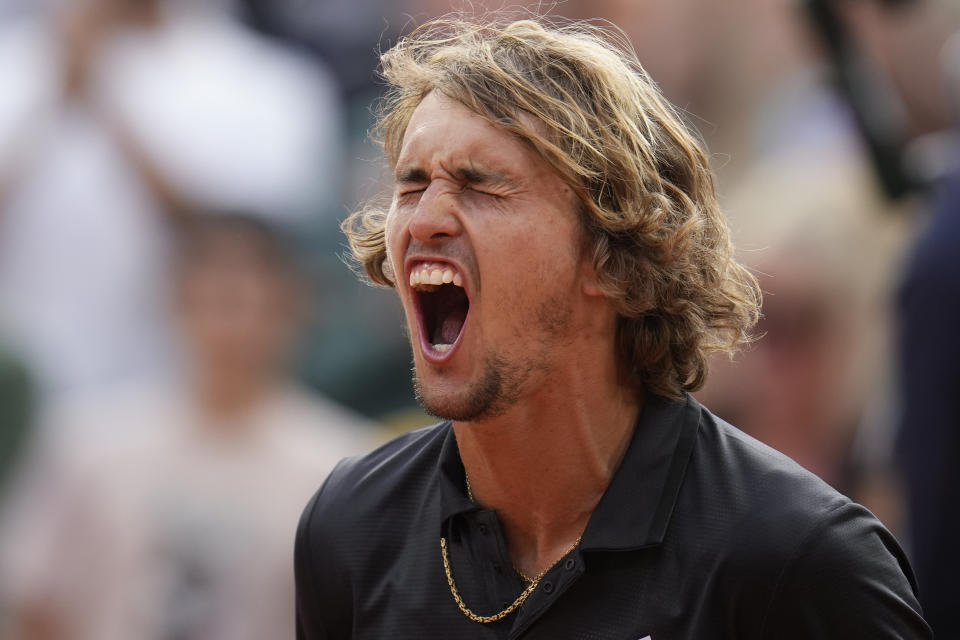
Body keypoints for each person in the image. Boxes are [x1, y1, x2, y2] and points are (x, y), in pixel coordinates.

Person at [294, 15, 931, 639]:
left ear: (609, 254)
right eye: (411, 185)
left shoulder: (796, 560)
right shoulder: (351, 527)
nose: (424, 219)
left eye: (479, 186)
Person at [0, 216, 372, 640]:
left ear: (293, 306)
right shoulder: (88, 444)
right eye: (214, 295)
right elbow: (34, 606)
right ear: (174, 297)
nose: (231, 320)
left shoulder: (343, 466)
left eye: (246, 298)